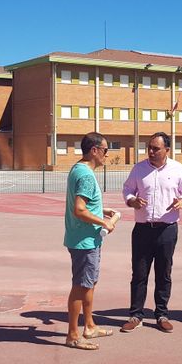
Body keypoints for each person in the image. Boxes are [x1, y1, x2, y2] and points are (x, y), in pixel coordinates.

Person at [120, 132, 182, 334]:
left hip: (167, 229)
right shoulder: (139, 169)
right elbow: (127, 189)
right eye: (149, 147)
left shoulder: (177, 169)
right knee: (139, 274)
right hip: (143, 229)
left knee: (164, 273)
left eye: (155, 148)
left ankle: (161, 314)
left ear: (167, 150)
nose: (150, 152)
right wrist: (131, 200)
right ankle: (136, 315)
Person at [63, 132, 118, 350]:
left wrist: (100, 210)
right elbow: (79, 209)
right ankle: (73, 335)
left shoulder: (78, 169)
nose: (106, 154)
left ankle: (89, 325)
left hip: (85, 239)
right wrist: (105, 223)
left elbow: (84, 203)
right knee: (81, 286)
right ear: (94, 150)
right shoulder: (86, 175)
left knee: (89, 283)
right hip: (84, 241)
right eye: (105, 150)